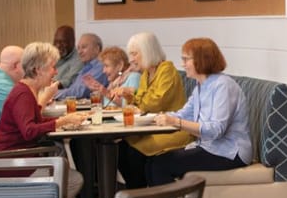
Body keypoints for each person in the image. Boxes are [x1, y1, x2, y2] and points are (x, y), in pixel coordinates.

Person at [0, 42, 87, 198]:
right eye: (52, 67)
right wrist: (61, 122)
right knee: (73, 180)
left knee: (66, 170)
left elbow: (36, 121)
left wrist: (64, 120)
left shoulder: (24, 90)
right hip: (12, 164)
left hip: (15, 159)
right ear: (37, 70)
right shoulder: (23, 94)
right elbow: (29, 131)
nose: (56, 72)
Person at [148, 38, 251, 186]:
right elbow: (183, 114)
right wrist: (154, 118)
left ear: (201, 60)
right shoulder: (200, 86)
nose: (183, 64)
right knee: (151, 161)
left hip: (230, 152)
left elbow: (216, 130)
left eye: (186, 59)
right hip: (209, 147)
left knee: (160, 165)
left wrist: (176, 122)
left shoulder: (223, 86)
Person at [114, 32, 189, 189]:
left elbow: (155, 102)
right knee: (120, 148)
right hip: (152, 127)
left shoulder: (167, 70)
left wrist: (134, 98)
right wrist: (131, 95)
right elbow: (142, 101)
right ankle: (136, 192)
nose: (131, 59)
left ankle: (140, 197)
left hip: (172, 129)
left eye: (134, 54)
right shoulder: (146, 74)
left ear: (147, 51)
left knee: (134, 152)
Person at [54, 33, 109, 100]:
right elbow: (73, 89)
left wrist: (53, 93)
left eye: (84, 47)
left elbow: (81, 92)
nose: (79, 52)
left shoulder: (101, 67)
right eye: (78, 48)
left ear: (97, 49)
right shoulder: (85, 67)